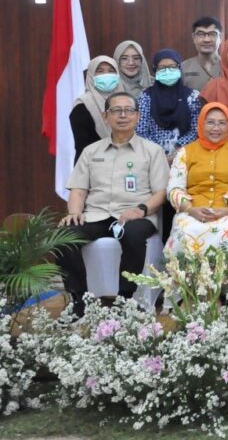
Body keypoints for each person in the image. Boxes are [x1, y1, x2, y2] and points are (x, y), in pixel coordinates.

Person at [58, 92, 168, 316]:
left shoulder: (152, 151)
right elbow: (79, 189)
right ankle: (80, 299)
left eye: (128, 111)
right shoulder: (91, 151)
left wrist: (141, 210)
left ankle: (124, 298)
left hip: (138, 215)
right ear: (105, 116)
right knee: (64, 235)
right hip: (96, 214)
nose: (123, 115)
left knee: (132, 234)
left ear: (137, 116)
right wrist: (75, 212)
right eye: (116, 111)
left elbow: (161, 192)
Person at [165, 102, 228, 257]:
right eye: (210, 122)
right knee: (184, 233)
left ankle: (225, 281)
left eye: (221, 123)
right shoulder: (185, 152)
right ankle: (187, 281)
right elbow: (174, 188)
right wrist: (191, 210)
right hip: (191, 212)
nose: (216, 128)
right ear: (201, 123)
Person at [135, 49, 202, 161]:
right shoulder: (146, 97)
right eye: (162, 68)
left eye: (172, 66)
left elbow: (196, 130)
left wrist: (177, 149)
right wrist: (160, 153)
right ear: (155, 70)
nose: (167, 71)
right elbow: (141, 131)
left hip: (186, 155)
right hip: (152, 156)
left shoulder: (192, 96)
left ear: (179, 68)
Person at [70, 56, 120, 163]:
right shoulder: (82, 105)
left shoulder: (126, 102)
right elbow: (83, 148)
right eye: (100, 71)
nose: (106, 75)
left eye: (111, 71)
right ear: (91, 75)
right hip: (90, 167)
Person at [180, 16, 222, 91]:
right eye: (201, 34)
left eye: (212, 34)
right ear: (193, 38)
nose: (206, 40)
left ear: (220, 37)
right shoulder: (183, 68)